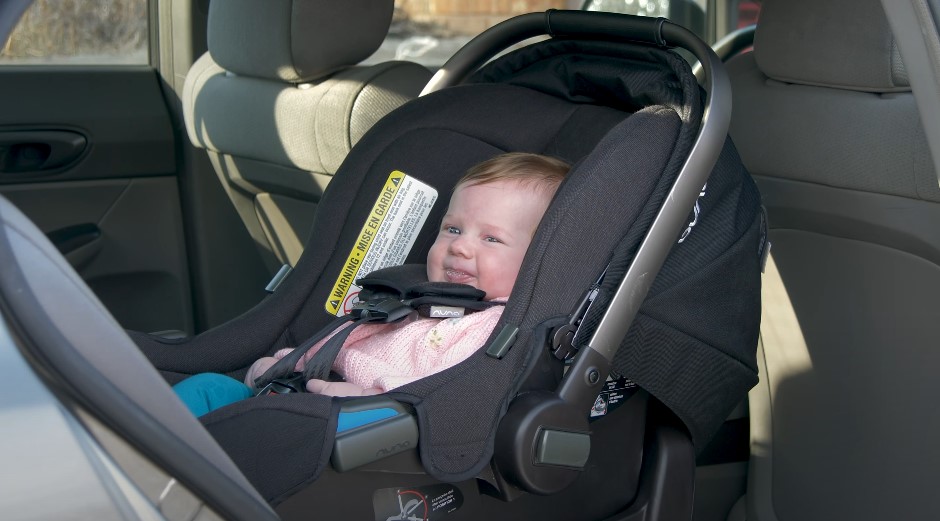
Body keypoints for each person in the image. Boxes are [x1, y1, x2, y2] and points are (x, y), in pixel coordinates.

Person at [173, 152, 570, 416]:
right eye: (452, 228)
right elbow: (343, 345)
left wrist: (367, 402)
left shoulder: (492, 329)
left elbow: (446, 397)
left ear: (541, 260)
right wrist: (286, 363)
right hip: (302, 393)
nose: (460, 247)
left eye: (491, 238)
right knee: (207, 389)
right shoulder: (412, 302)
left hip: (366, 422)